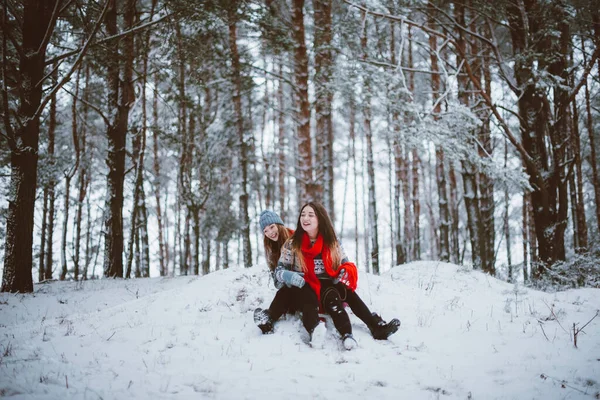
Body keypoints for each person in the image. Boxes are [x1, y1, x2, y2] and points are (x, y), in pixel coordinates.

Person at [271, 202, 400, 350]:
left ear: (320, 219)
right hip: (304, 288)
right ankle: (314, 330)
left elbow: (345, 263)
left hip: (328, 289)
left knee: (348, 292)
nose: (305, 218)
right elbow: (278, 274)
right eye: (303, 214)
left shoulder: (332, 243)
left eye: (310, 215)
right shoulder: (292, 244)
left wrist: (344, 272)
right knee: (309, 296)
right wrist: (287, 275)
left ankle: (376, 326)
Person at [253, 210, 318, 336]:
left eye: (272, 227)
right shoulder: (271, 250)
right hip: (291, 293)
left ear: (279, 225)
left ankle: (313, 329)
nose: (270, 233)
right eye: (265, 231)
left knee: (300, 293)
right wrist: (284, 276)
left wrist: (296, 276)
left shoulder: (296, 238)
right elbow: (277, 283)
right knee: (284, 291)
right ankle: (268, 320)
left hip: (309, 286)